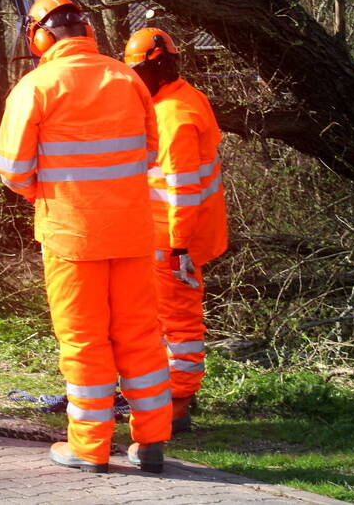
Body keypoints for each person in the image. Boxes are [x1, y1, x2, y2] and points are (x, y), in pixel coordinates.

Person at [0, 0, 172, 473]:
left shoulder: (36, 86)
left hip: (72, 237)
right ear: (87, 31)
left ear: (39, 37)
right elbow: (151, 152)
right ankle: (152, 441)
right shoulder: (127, 78)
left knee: (85, 341)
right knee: (140, 336)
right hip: (133, 232)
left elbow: (11, 169)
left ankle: (89, 448)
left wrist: (47, 193)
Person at [123, 28, 228, 433]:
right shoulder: (184, 98)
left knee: (179, 322)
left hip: (172, 242)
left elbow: (182, 189)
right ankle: (170, 393)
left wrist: (178, 248)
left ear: (154, 68)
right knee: (167, 321)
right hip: (170, 238)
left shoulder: (173, 116)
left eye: (137, 72)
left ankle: (179, 401)